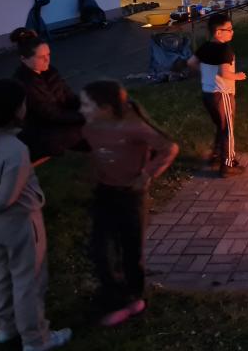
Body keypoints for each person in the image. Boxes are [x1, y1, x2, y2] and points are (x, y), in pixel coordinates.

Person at [0, 79, 72, 351]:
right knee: (28, 280)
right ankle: (36, 339)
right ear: (14, 110)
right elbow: (8, 196)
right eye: (22, 103)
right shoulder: (14, 150)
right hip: (19, 224)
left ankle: (6, 328)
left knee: (1, 273)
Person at [80, 80, 178, 327]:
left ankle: (134, 297)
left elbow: (168, 147)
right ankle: (115, 296)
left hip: (129, 195)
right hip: (104, 193)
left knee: (131, 250)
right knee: (99, 249)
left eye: (86, 104)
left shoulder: (133, 127)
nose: (80, 109)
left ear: (106, 108)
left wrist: (146, 174)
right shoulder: (88, 126)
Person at [10, 28, 85, 164]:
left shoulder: (50, 71)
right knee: (82, 131)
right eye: (41, 57)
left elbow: (68, 96)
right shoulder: (24, 82)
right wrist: (83, 117)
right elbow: (49, 114)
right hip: (40, 130)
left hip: (59, 120)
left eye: (48, 54)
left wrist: (88, 107)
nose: (47, 60)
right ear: (24, 59)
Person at [187, 14, 246, 178]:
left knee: (220, 127)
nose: (232, 32)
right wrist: (238, 76)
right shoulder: (224, 49)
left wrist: (206, 75)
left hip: (208, 95)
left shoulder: (205, 46)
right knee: (228, 129)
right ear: (218, 32)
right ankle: (228, 165)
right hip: (223, 95)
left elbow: (190, 63)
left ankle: (215, 157)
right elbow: (225, 72)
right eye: (228, 29)